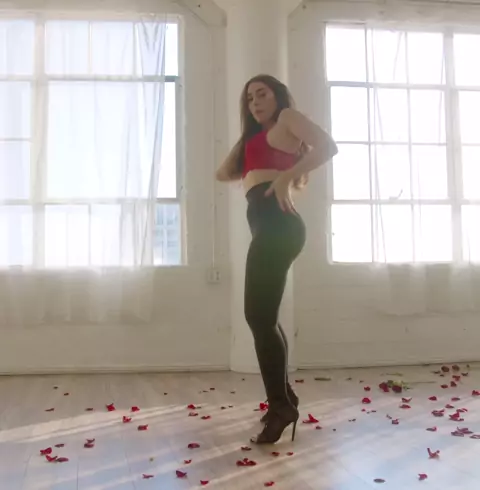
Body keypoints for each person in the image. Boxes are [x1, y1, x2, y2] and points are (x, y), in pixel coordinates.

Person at [216, 74, 338, 444]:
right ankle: (284, 399)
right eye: (249, 98)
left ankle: (282, 405)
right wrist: (249, 141)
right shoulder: (259, 136)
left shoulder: (287, 118)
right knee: (264, 317)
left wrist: (288, 175)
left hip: (278, 226)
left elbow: (327, 145)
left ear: (278, 96)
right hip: (269, 228)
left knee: (257, 317)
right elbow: (223, 173)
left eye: (262, 94)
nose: (255, 102)